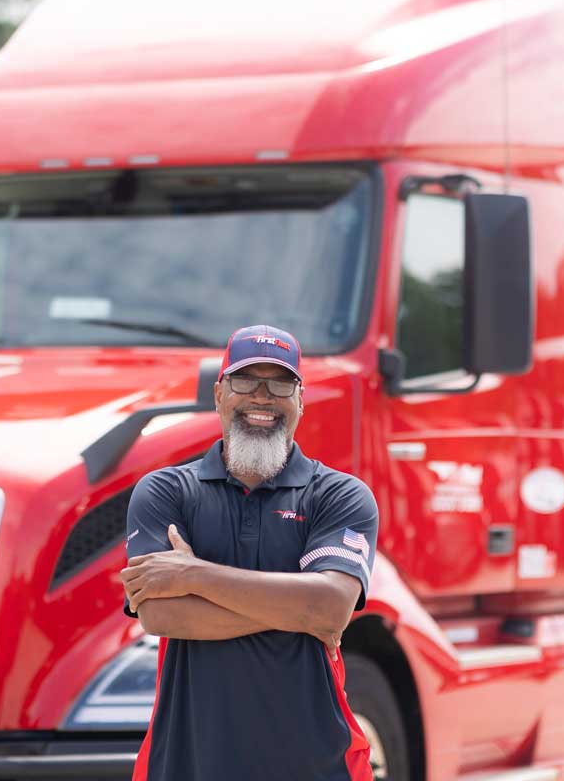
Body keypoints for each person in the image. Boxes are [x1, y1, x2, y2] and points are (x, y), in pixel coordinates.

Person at [121, 324, 378, 781]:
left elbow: (331, 607)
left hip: (315, 764)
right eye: (245, 381)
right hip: (187, 761)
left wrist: (194, 576)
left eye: (280, 383)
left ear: (300, 400)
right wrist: (299, 611)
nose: (262, 397)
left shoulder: (339, 495)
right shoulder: (166, 491)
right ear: (220, 393)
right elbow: (160, 616)